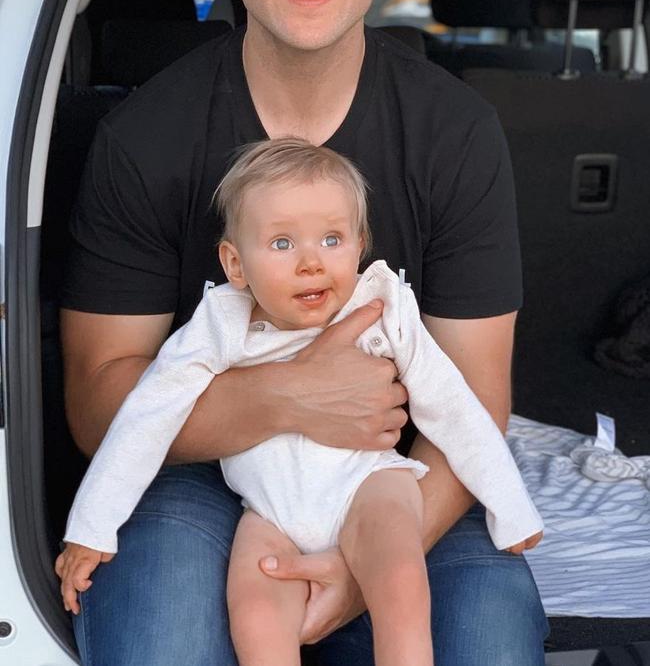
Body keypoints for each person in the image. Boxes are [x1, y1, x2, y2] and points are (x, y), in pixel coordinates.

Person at [59, 0, 549, 665]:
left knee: (487, 642)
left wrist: (364, 571)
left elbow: (473, 405)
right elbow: (99, 406)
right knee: (161, 641)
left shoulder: (454, 131)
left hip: (397, 473)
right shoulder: (145, 136)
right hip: (198, 476)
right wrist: (288, 395)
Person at [57, 139, 543, 666]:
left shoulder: (381, 307)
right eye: (283, 244)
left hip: (370, 486)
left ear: (360, 245)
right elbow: (145, 419)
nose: (311, 263)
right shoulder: (220, 324)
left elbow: (454, 408)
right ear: (235, 263)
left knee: (401, 580)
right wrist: (92, 527)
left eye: (331, 239)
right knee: (256, 617)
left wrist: (510, 507)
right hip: (269, 510)